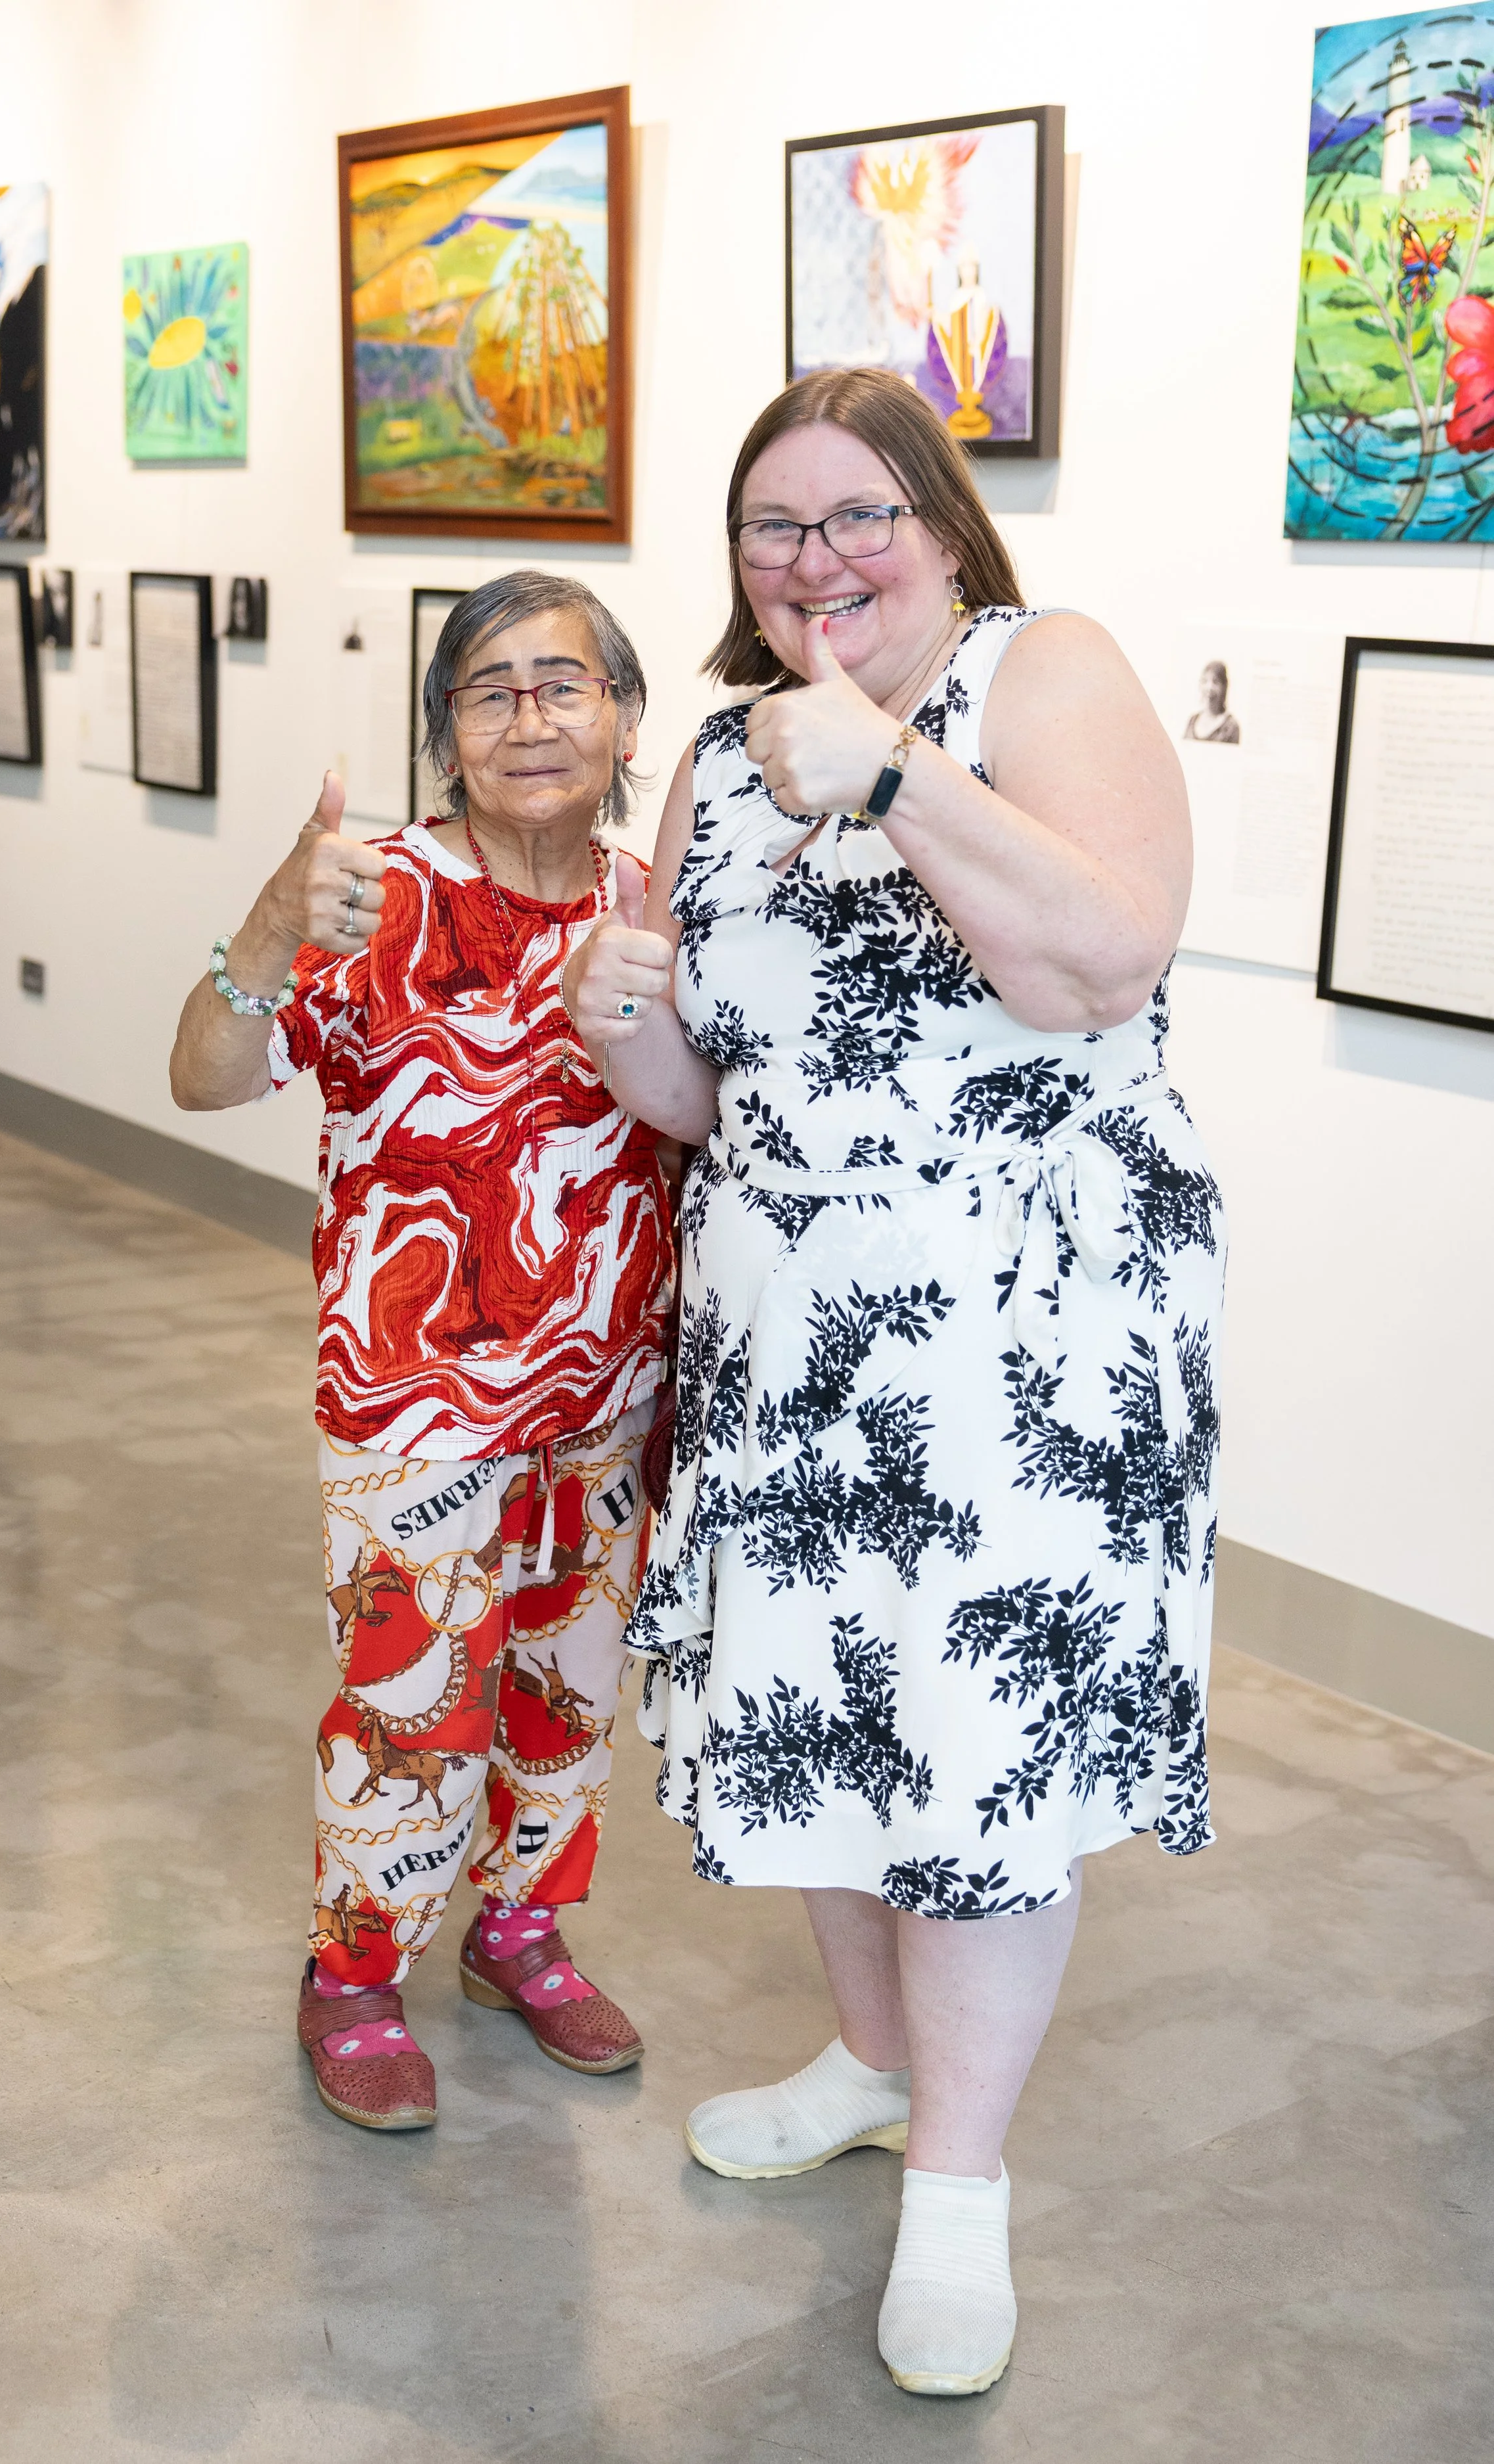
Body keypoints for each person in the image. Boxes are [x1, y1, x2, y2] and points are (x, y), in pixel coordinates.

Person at [563, 369, 1225, 2398]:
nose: (816, 558)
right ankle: (869, 2060)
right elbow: (709, 1093)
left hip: (1021, 1332)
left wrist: (892, 775)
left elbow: (1098, 965)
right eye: (773, 525)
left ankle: (956, 2182)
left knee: (975, 1744)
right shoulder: (715, 752)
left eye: (859, 513)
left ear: (941, 524)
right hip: (787, 1327)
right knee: (825, 1716)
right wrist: (618, 1020)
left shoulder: (1041, 673)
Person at [169, 570, 671, 2132]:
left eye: (563, 683)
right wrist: (267, 924)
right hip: (416, 1401)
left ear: (623, 717)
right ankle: (354, 1976)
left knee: (567, 1697)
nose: (529, 718)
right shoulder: (376, 894)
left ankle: (518, 1934)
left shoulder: (653, 902)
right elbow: (202, 1075)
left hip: (606, 1394)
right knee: (413, 1708)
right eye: (488, 691)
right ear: (445, 734)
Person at [1183, 658, 1240, 743]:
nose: (1209, 688)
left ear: (1224, 687)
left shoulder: (1231, 727)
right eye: (1205, 681)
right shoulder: (1193, 721)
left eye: (1215, 682)